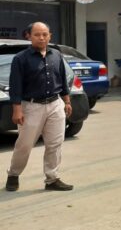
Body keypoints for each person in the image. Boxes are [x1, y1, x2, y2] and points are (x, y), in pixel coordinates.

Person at [5, 22, 73, 192]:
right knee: (24, 144)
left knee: (55, 143)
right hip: (31, 106)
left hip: (55, 104)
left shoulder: (56, 55)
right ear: (29, 36)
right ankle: (13, 175)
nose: (41, 38)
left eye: (45, 34)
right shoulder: (20, 59)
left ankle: (52, 179)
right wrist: (17, 109)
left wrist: (67, 101)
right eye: (37, 34)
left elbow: (62, 79)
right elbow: (16, 86)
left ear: (50, 35)